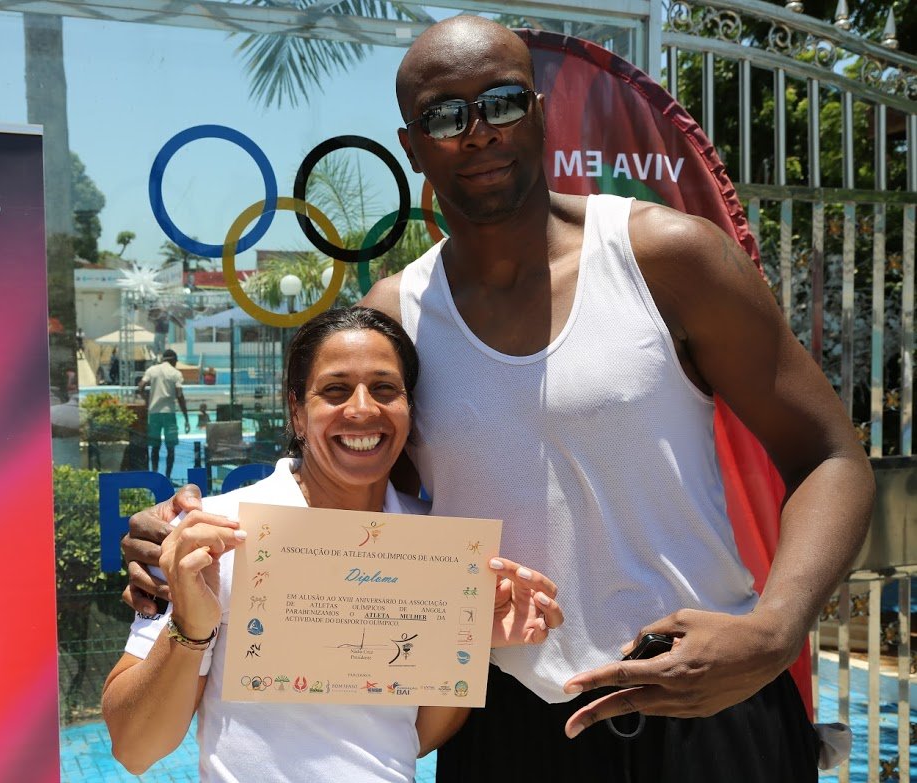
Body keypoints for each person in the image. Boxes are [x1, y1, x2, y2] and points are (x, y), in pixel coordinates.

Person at [122, 16, 874, 782]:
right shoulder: (401, 310)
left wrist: (777, 630)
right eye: (445, 115)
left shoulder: (666, 256)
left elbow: (832, 456)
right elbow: (340, 484)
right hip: (499, 723)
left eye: (503, 102)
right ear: (413, 147)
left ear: (542, 113)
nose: (477, 132)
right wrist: (186, 529)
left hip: (702, 705)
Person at [101, 307, 563, 780]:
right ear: (297, 411)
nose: (362, 408)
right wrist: (191, 627)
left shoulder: (438, 550)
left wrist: (466, 641)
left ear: (409, 411)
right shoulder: (213, 537)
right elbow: (135, 750)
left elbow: (415, 739)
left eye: (385, 389)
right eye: (336, 390)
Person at [138, 348, 190, 477]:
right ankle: (168, 476)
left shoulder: (152, 370)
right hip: (169, 413)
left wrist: (147, 400)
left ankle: (155, 475)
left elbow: (141, 386)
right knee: (170, 448)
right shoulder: (176, 373)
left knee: (155, 447)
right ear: (173, 360)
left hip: (154, 413)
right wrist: (186, 417)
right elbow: (180, 395)